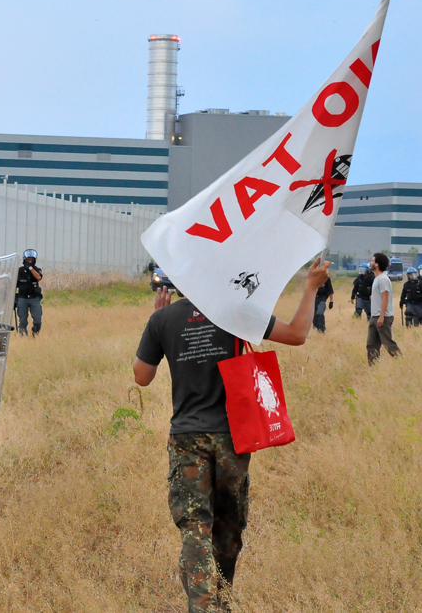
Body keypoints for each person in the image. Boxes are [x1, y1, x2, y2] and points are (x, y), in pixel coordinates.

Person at [132, 258, 331, 613]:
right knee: (228, 527)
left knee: (195, 528)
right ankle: (221, 601)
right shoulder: (236, 311)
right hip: (232, 438)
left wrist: (158, 322)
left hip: (187, 438)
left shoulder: (163, 319)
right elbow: (297, 334)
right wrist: (312, 286)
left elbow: (141, 377)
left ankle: (202, 606)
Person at [367, 252, 401, 365]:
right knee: (371, 345)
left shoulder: (382, 279)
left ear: (377, 264)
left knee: (388, 343)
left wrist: (381, 316)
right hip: (375, 316)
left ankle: (401, 362)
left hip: (383, 317)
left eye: (372, 261)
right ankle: (373, 367)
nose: (370, 263)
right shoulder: (377, 279)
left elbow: (385, 298)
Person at [16, 249, 44, 336]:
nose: (30, 262)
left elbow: (39, 277)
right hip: (22, 298)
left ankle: (35, 334)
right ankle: (23, 337)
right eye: (28, 260)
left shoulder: (36, 270)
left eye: (32, 260)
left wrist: (30, 268)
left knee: (37, 320)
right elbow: (14, 285)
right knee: (23, 320)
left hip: (34, 298)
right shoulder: (19, 271)